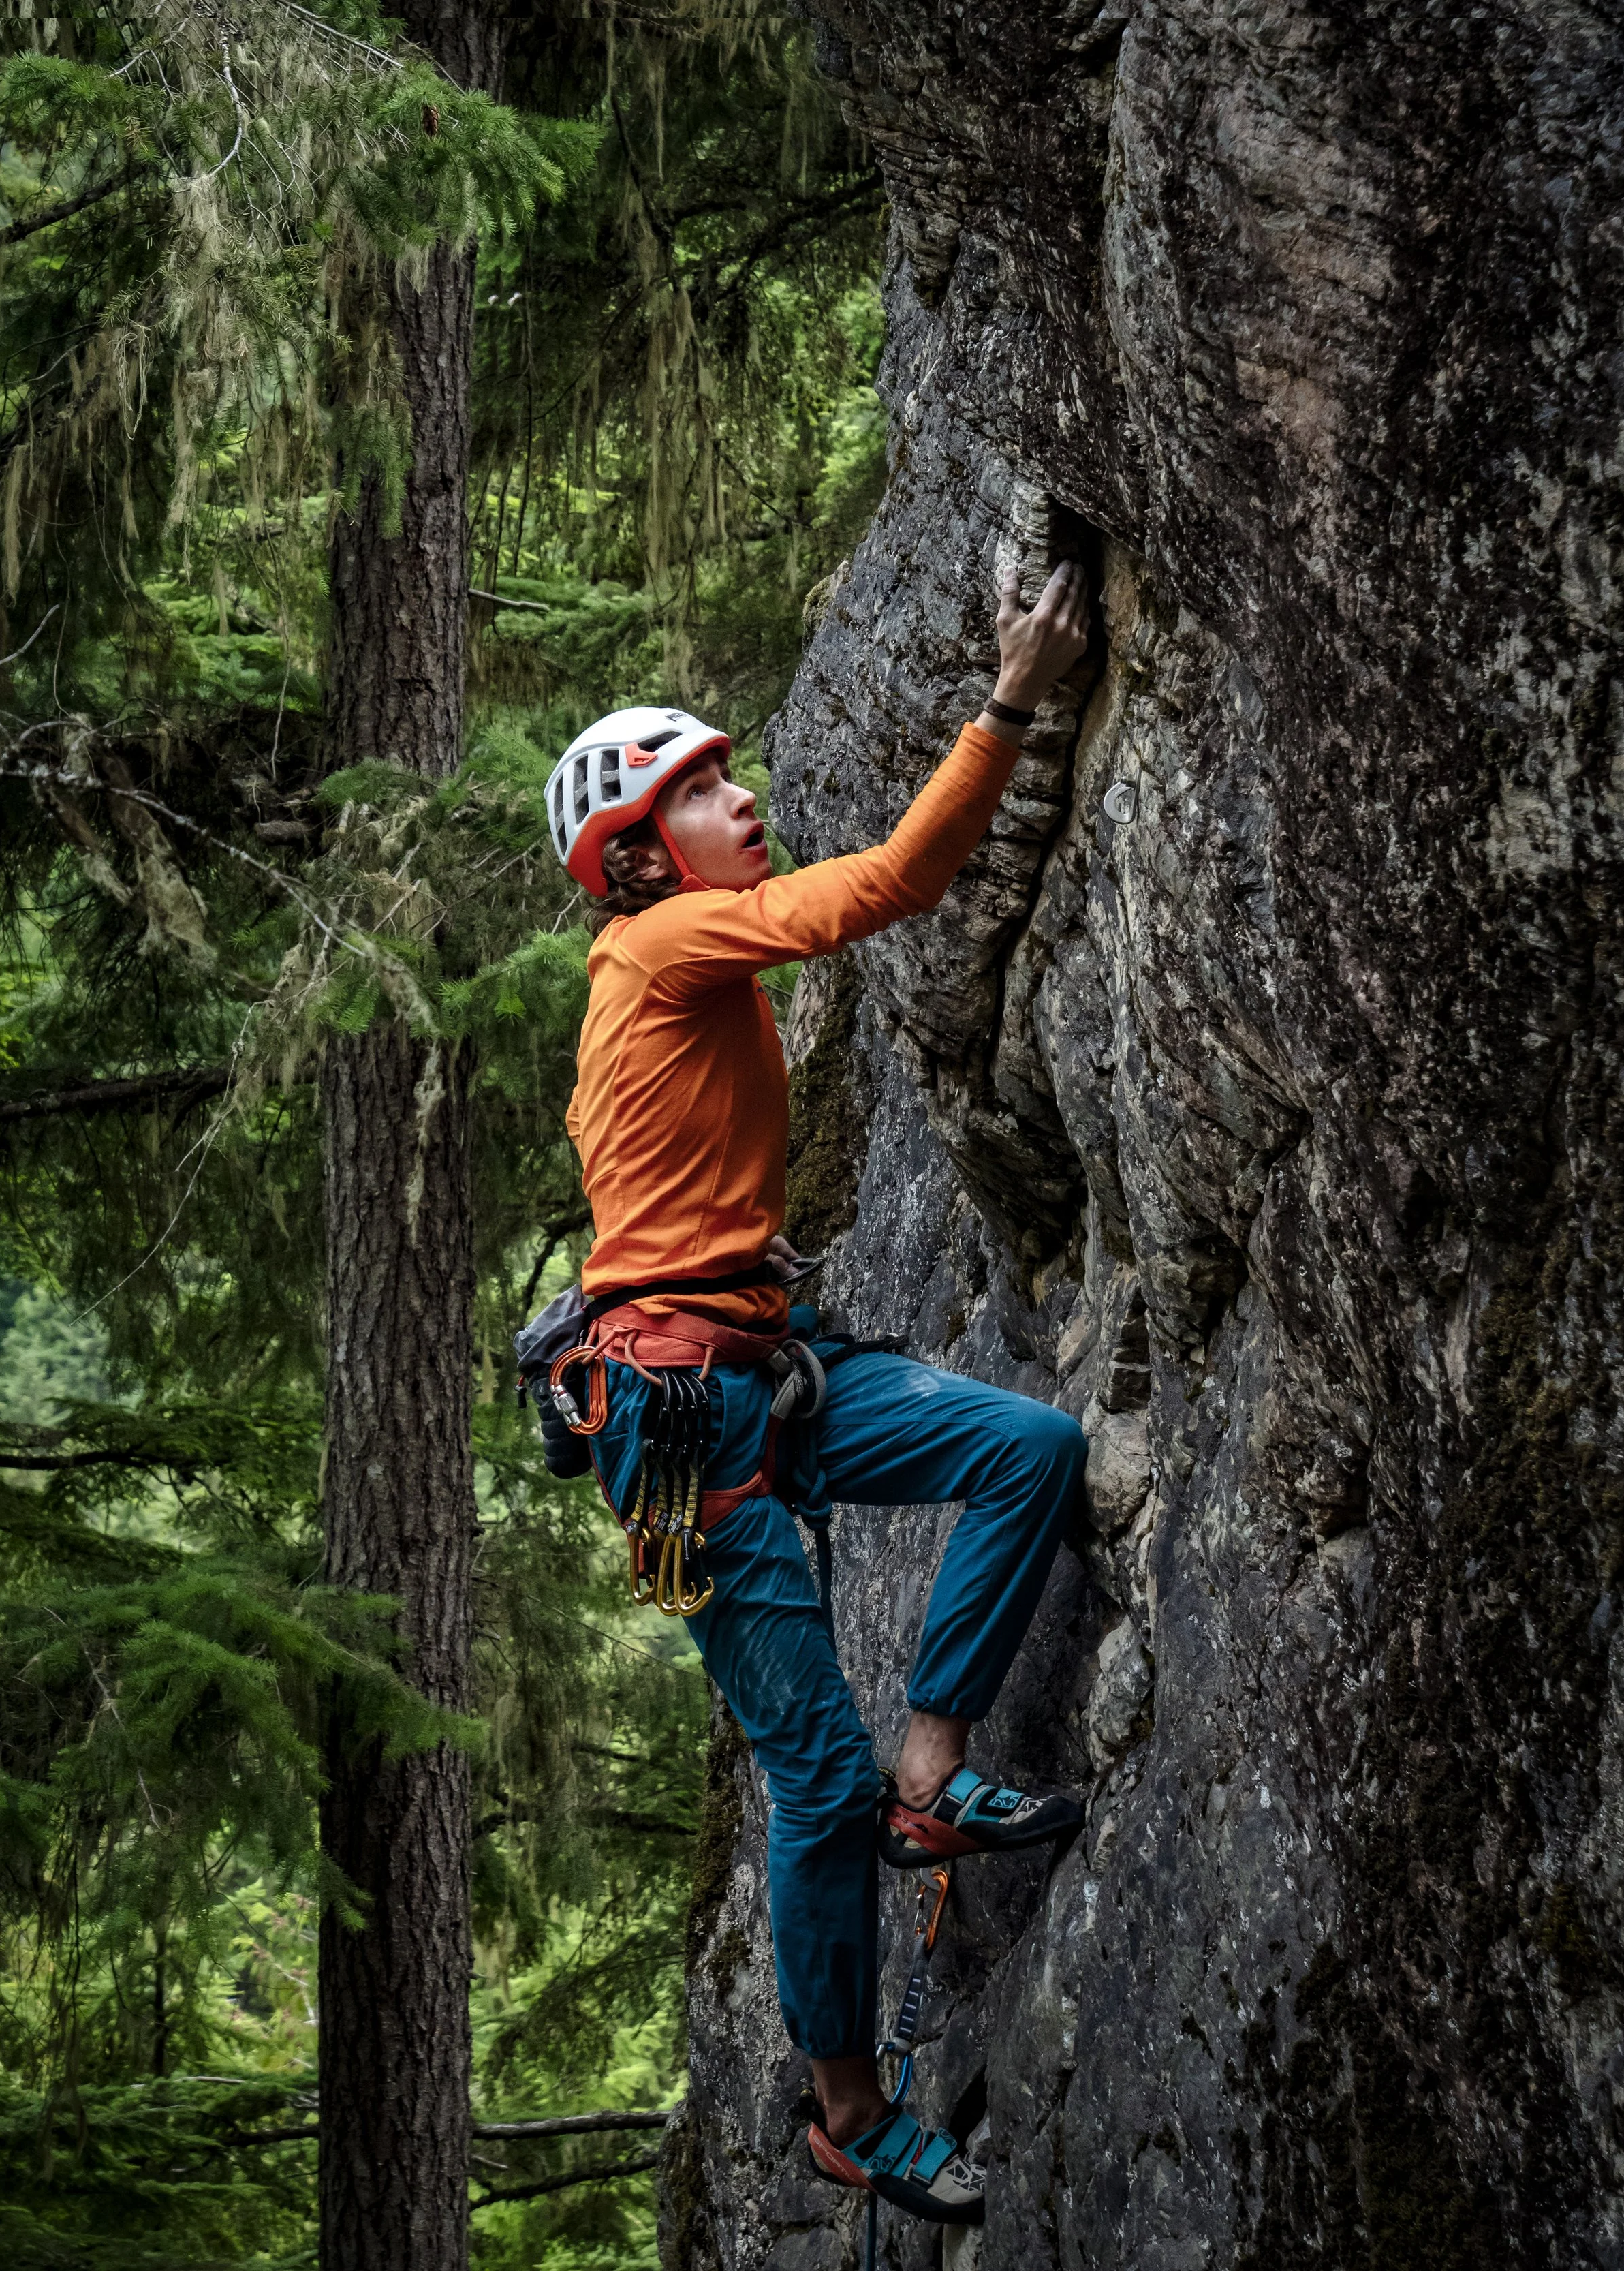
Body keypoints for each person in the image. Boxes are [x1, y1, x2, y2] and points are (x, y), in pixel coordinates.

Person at [546, 561, 1093, 2227]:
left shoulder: (663, 966)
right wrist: (1009, 702)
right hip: (677, 1428)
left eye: (730, 773)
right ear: (641, 855)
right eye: (701, 789)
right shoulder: (664, 943)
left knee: (1027, 1446)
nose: (743, 797)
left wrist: (733, 1267)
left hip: (744, 1370)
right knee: (813, 1783)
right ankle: (850, 2115)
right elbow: (892, 884)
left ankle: (937, 1771)